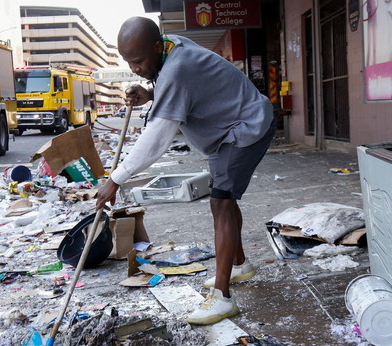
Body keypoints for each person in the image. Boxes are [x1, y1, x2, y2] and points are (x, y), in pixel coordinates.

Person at [95, 17, 275, 325]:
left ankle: (222, 298)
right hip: (228, 130)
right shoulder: (172, 44)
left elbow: (157, 140)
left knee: (221, 201)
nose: (135, 68)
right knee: (224, 199)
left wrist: (115, 179)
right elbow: (187, 85)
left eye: (138, 61)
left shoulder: (177, 70)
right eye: (129, 63)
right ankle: (239, 264)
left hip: (245, 128)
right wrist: (152, 95)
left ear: (155, 46)